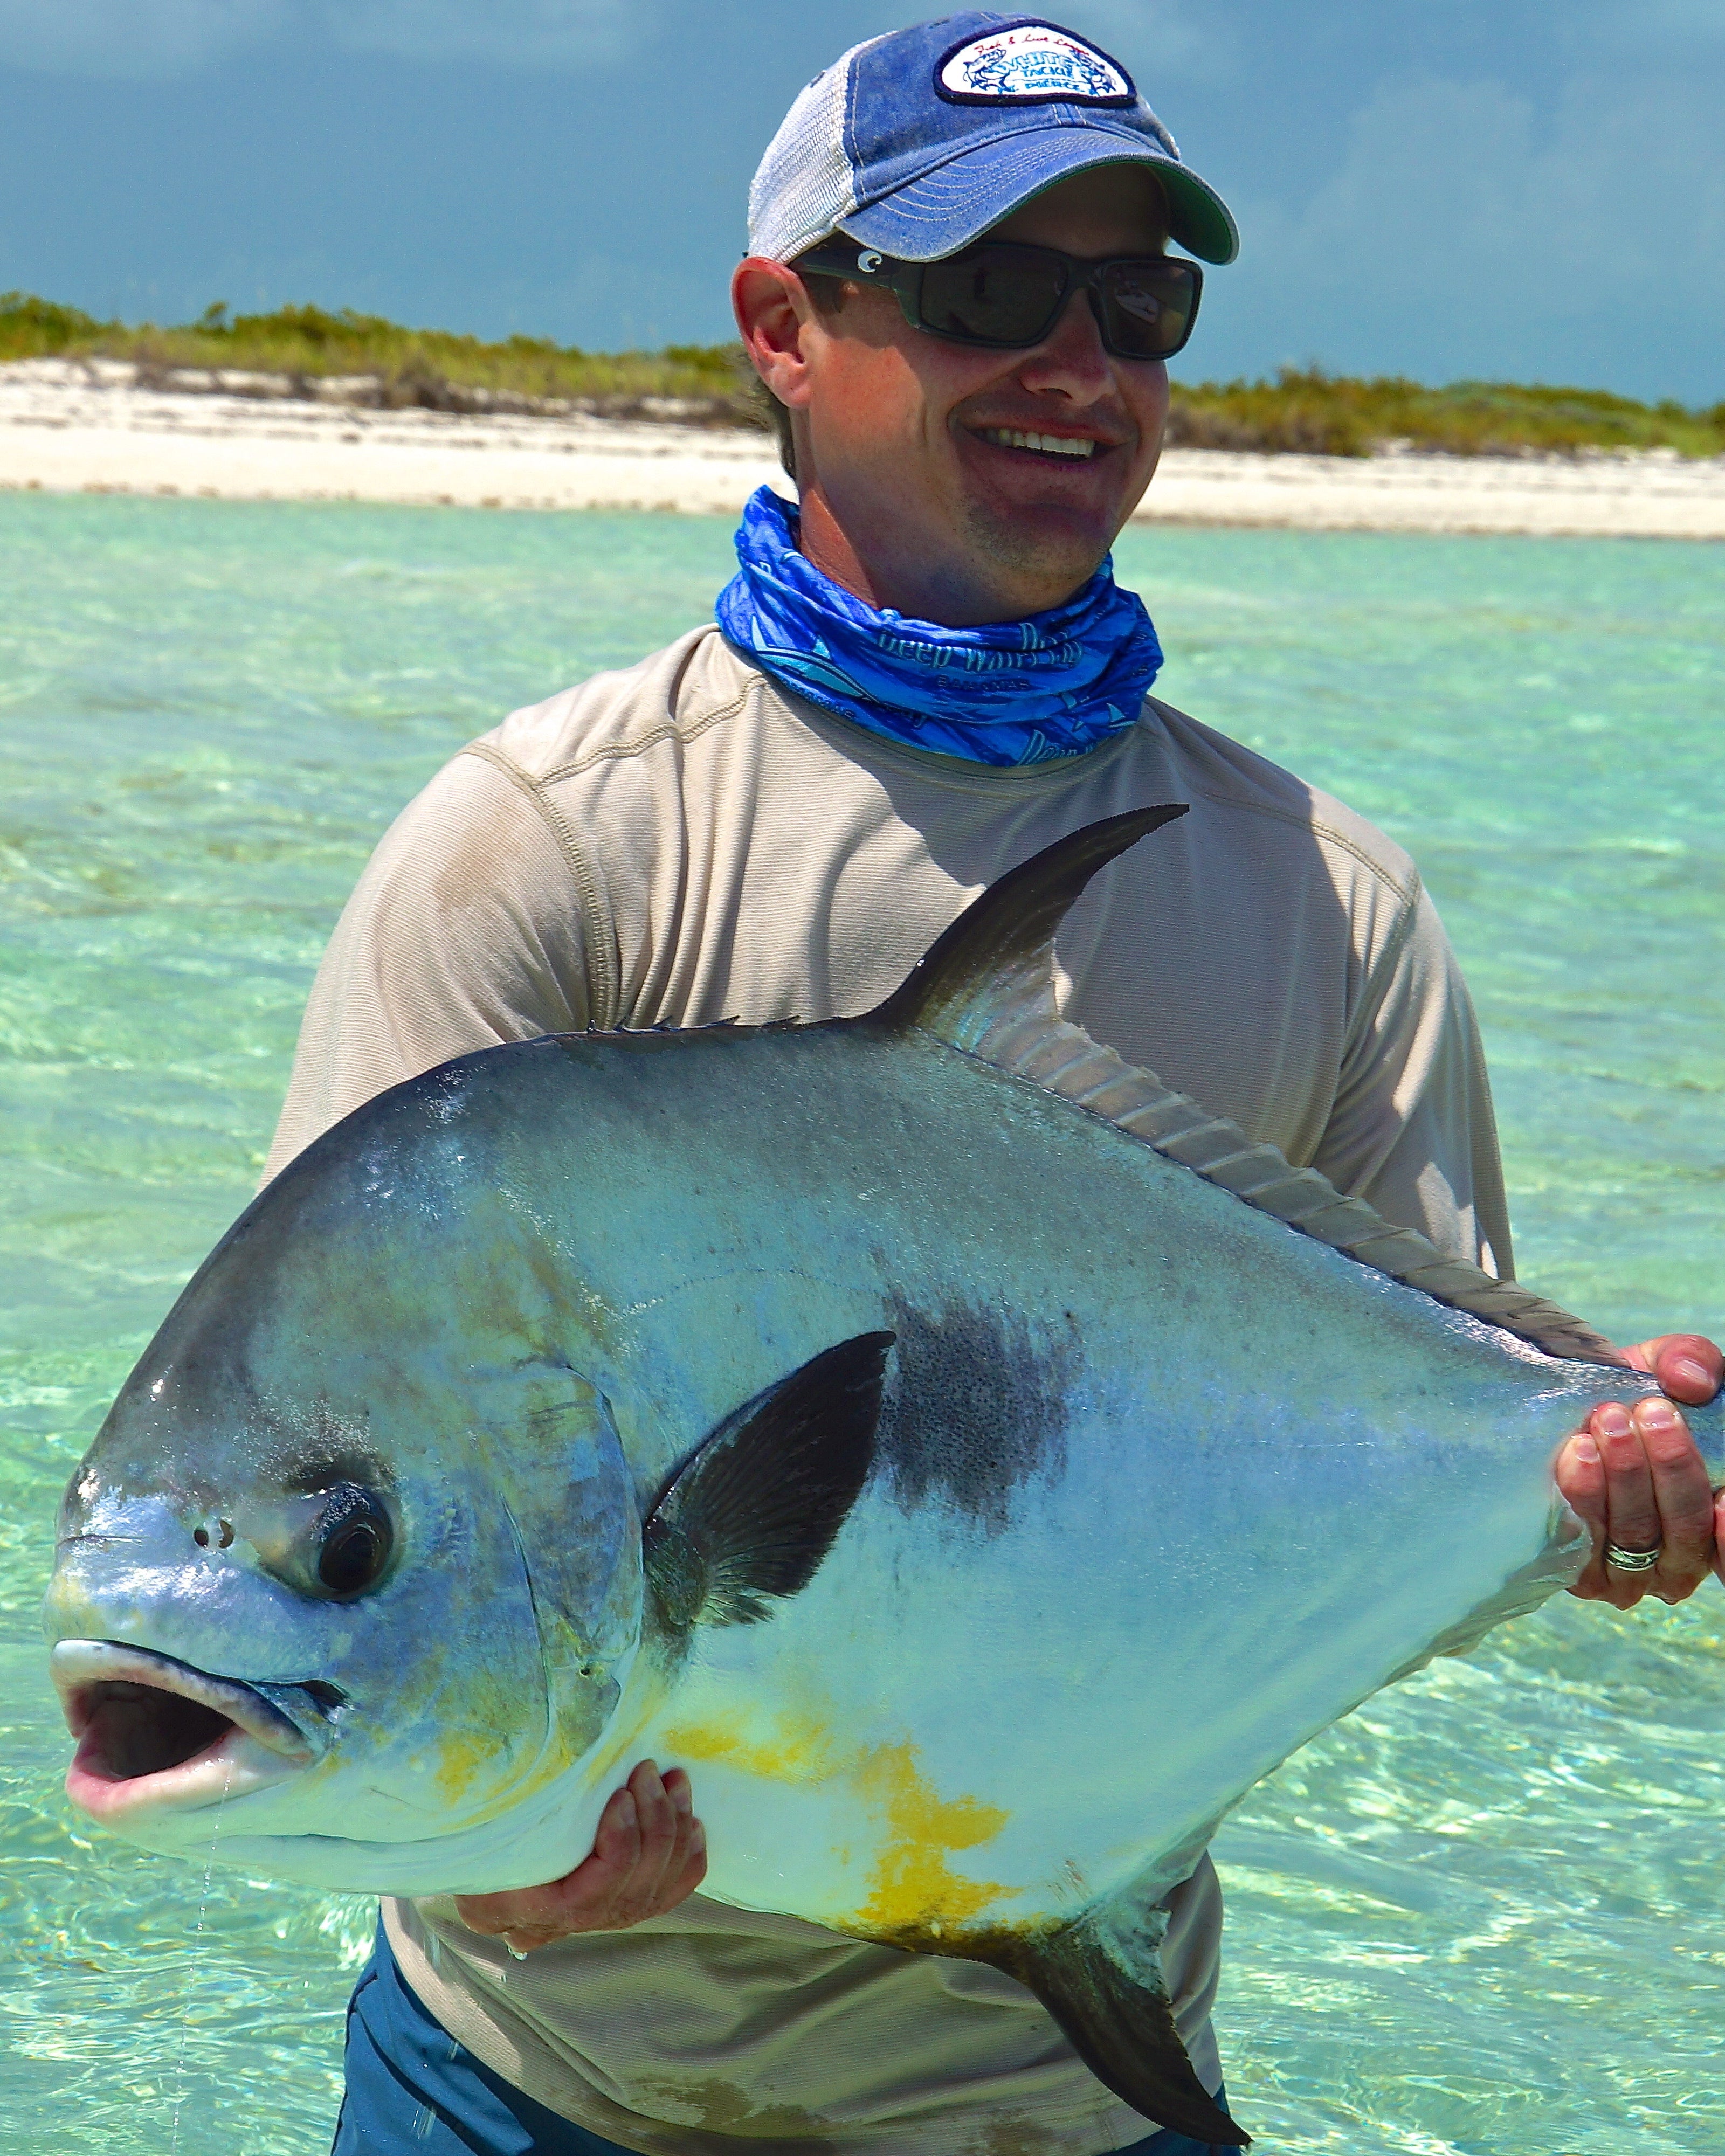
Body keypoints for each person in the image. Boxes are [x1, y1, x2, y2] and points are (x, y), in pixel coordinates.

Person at [270, 17, 1724, 2156]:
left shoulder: (1325, 904)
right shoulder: (550, 847)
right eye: (982, 294)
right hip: (521, 2086)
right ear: (783, 325)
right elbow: (328, 1478)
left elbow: (1423, 1457)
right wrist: (474, 1852)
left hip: (1057, 2098)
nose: (1076, 361)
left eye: (1134, 304)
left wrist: (1589, 1492)